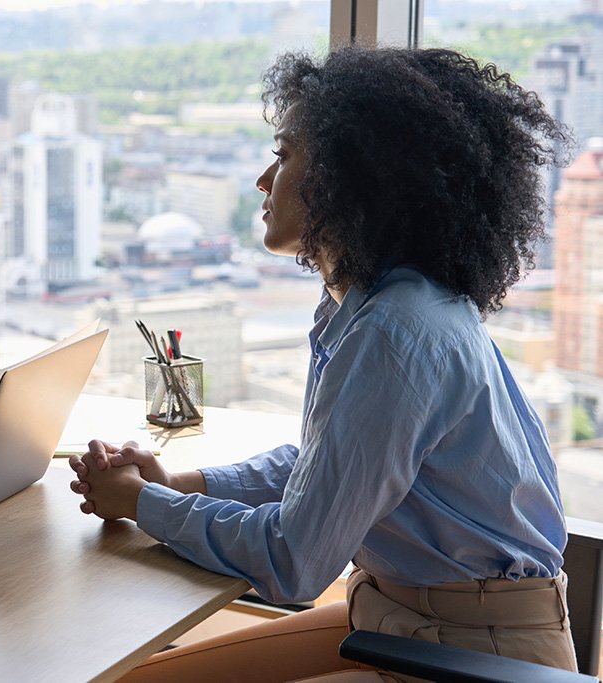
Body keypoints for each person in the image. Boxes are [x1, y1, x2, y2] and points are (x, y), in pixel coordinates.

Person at [70, 47, 576, 682]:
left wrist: (145, 504)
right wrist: (179, 486)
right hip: (401, 618)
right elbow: (327, 468)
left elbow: (295, 562)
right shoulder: (372, 302)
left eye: (283, 155)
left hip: (472, 656)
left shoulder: (395, 332)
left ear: (354, 177)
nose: (262, 180)